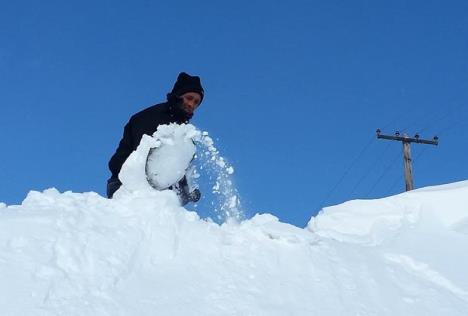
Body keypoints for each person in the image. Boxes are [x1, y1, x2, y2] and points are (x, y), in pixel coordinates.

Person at [107, 72, 204, 201]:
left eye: (196, 102)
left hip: (156, 192)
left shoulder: (184, 134)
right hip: (125, 186)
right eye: (189, 98)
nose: (192, 104)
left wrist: (186, 191)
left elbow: (176, 168)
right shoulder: (150, 118)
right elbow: (141, 159)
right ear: (178, 95)